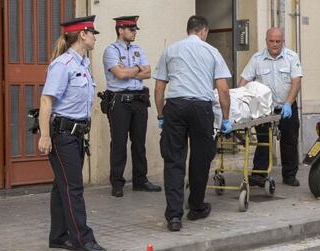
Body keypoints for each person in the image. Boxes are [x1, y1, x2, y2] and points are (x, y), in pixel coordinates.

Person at [154, 15, 232, 232]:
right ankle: (196, 207)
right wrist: (225, 119)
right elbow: (223, 90)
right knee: (200, 158)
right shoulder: (212, 52)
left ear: (188, 30)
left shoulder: (170, 50)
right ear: (204, 31)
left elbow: (159, 89)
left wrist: (161, 116)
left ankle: (174, 217)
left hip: (175, 106)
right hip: (201, 108)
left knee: (174, 161)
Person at [38, 15, 107, 251]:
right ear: (82, 35)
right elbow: (46, 100)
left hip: (77, 134)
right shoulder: (63, 65)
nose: (95, 38)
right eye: (93, 33)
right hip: (63, 135)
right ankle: (82, 239)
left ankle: (58, 236)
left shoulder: (83, 65)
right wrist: (45, 136)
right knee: (73, 187)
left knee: (62, 186)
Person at [103, 16, 161, 198]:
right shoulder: (110, 51)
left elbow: (149, 73)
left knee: (139, 142)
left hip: (139, 100)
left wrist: (130, 70)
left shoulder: (138, 49)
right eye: (131, 29)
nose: (135, 32)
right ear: (120, 30)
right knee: (119, 143)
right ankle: (117, 182)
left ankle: (140, 180)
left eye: (135, 29)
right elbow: (119, 74)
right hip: (119, 101)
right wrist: (137, 69)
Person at [238, 27, 303, 187]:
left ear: (283, 41)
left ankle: (289, 175)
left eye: (278, 41)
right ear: (266, 40)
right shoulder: (257, 59)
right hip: (264, 110)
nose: (275, 45)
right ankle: (259, 174)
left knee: (289, 140)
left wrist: (288, 103)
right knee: (263, 141)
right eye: (271, 41)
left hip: (287, 106)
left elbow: (296, 81)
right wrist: (240, 100)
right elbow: (243, 81)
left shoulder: (291, 57)